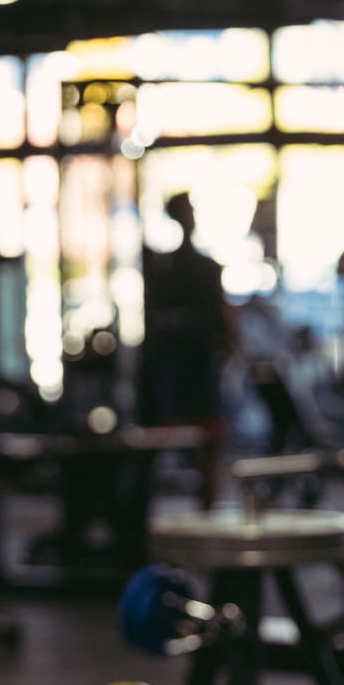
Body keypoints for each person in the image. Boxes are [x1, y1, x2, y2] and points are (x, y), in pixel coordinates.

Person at [137, 191, 234, 508]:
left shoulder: (175, 268)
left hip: (185, 364)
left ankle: (200, 511)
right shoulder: (171, 268)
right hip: (180, 366)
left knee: (206, 439)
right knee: (176, 438)